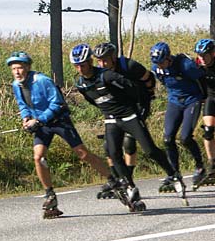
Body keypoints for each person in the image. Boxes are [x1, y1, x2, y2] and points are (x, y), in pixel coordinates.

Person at [71, 43, 186, 211]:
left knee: (149, 150)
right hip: (111, 119)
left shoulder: (107, 76)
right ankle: (130, 187)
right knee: (112, 152)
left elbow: (133, 89)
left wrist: (138, 108)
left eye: (82, 65)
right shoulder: (81, 84)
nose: (80, 69)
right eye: (76, 66)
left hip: (129, 115)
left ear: (89, 62)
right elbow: (94, 101)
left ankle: (173, 174)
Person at [6, 51, 113, 219]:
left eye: (20, 68)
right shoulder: (16, 84)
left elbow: (57, 103)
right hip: (41, 124)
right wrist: (26, 118)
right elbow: (23, 104)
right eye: (14, 69)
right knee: (38, 157)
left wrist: (39, 120)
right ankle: (50, 195)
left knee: (82, 154)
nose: (17, 72)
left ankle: (113, 179)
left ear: (27, 67)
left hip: (59, 121)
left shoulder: (42, 81)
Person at [92, 42, 156, 199]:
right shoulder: (100, 73)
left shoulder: (129, 65)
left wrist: (147, 96)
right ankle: (117, 179)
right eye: (99, 60)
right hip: (118, 108)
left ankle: (128, 177)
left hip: (139, 104)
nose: (102, 63)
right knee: (109, 145)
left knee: (129, 141)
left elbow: (149, 78)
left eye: (105, 59)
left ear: (113, 57)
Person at [151, 41, 206, 192]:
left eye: (162, 62)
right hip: (174, 101)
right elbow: (163, 81)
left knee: (185, 137)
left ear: (169, 57)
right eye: (157, 63)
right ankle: (174, 173)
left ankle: (200, 166)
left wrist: (205, 97)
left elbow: (202, 78)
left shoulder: (185, 65)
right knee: (167, 138)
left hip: (192, 100)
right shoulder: (156, 68)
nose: (159, 65)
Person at [193, 38, 215, 189]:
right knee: (208, 131)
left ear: (213, 53)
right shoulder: (196, 65)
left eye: (205, 55)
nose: (202, 58)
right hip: (210, 98)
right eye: (199, 55)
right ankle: (212, 164)